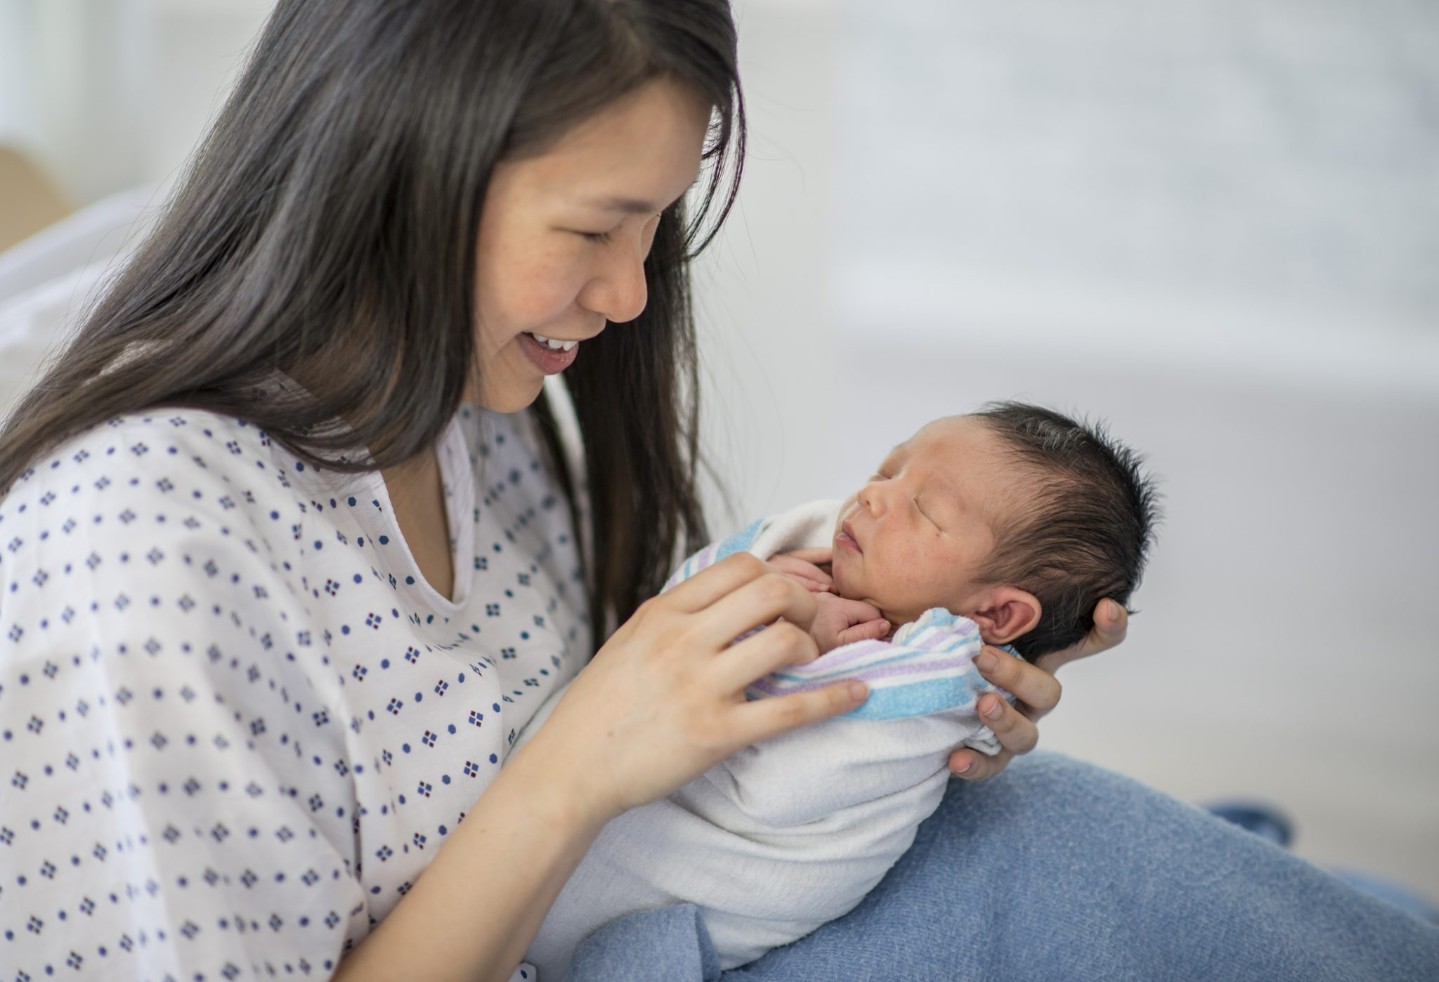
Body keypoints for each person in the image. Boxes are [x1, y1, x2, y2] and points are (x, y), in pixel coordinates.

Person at [0, 3, 1433, 982]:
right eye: (596, 227)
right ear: (400, 168)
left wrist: (894, 714)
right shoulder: (146, 567)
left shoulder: (453, 403)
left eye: (656, 226)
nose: (628, 296)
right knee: (1074, 869)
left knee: (1062, 840)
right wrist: (581, 762)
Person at [522, 402, 1160, 978]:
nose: (871, 497)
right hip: (537, 828)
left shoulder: (920, 700)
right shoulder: (819, 564)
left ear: (995, 618)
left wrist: (784, 636)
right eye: (887, 472)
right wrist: (761, 590)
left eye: (926, 510)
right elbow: (666, 625)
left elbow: (780, 789)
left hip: (664, 885)